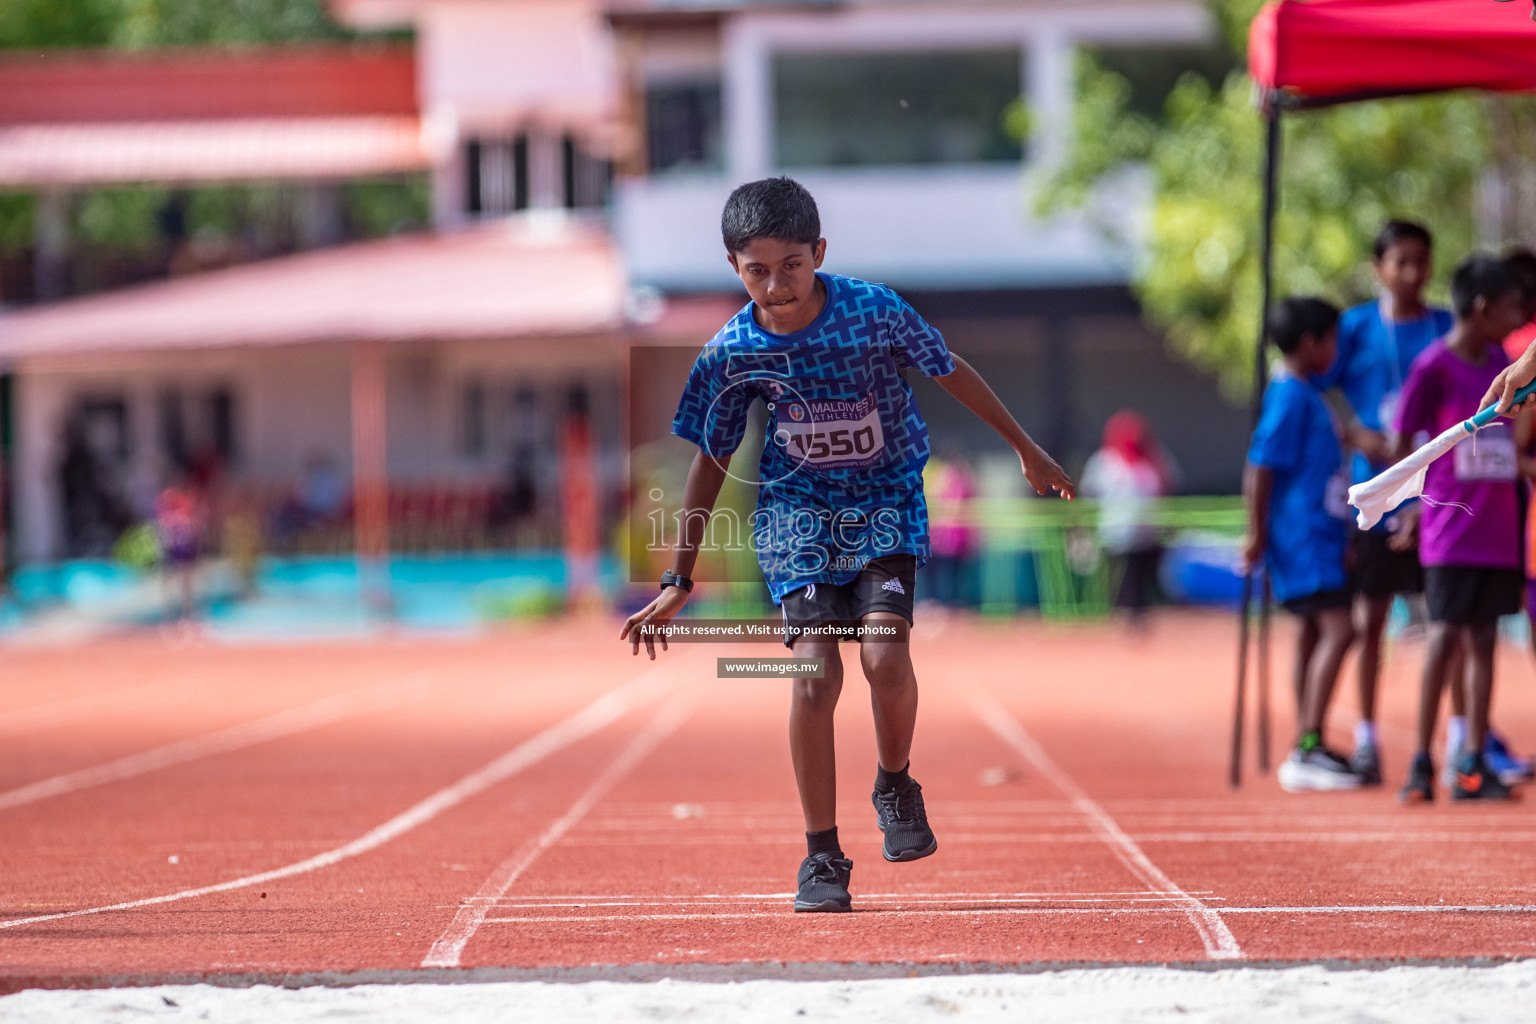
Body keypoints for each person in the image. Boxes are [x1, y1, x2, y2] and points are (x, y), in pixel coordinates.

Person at [619, 177, 1073, 913]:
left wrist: (1024, 448)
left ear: (819, 252)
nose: (777, 284)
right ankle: (822, 856)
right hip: (796, 516)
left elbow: (949, 369)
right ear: (734, 266)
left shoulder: (874, 312)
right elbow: (710, 458)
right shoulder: (731, 352)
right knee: (813, 676)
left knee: (885, 658)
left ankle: (894, 783)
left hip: (885, 501)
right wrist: (679, 577)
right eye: (757, 269)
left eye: (792, 265)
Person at [1316, 221, 1451, 786]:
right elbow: (1316, 383)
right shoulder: (1354, 327)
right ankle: (1367, 735)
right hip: (1376, 492)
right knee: (1370, 620)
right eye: (1401, 262)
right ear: (1379, 268)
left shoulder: (1446, 324)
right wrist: (1354, 433)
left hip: (1437, 493)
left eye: (1422, 261)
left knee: (1452, 623)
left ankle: (1461, 740)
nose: (1413, 273)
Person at [1395, 255, 1530, 803]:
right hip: (1450, 529)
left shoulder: (1504, 360)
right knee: (1445, 637)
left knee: (1484, 640)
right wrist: (1405, 505)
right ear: (1483, 309)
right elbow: (1405, 439)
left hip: (1499, 529)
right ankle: (1422, 761)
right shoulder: (1433, 366)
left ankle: (1472, 762)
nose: (1519, 319)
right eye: (1512, 309)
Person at [1243, 297, 1361, 793]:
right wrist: (1256, 532)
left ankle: (1307, 739)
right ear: (1311, 342)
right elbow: (1261, 465)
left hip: (1319, 532)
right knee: (1342, 629)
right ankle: (1308, 745)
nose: (1336, 350)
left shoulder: (1306, 394)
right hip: (1302, 536)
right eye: (1332, 340)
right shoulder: (1290, 394)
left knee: (1315, 632)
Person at [1080, 410, 1175, 628]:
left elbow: (1167, 486)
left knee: (1143, 574)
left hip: (1147, 531)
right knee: (1124, 573)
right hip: (1116, 530)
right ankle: (1126, 611)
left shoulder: (1155, 458)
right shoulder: (1104, 461)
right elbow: (1090, 492)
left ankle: (1139, 611)